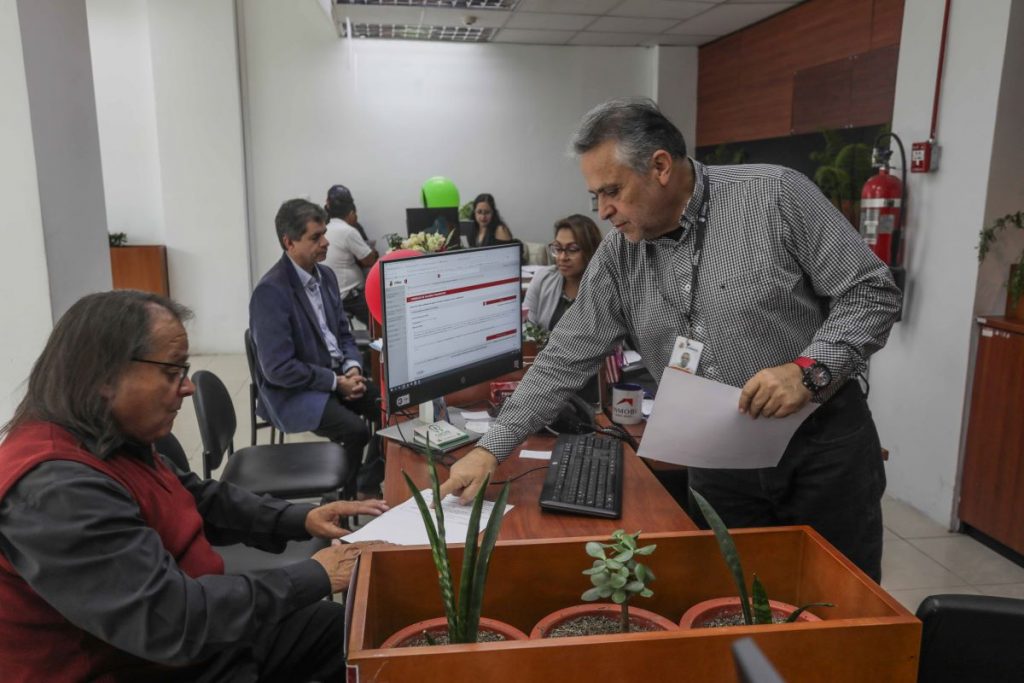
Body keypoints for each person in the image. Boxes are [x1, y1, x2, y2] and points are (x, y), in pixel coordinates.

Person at [440, 98, 901, 582]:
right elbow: (563, 357)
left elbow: (872, 292)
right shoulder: (620, 253)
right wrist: (490, 448)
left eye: (612, 191)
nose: (604, 212)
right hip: (718, 460)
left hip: (820, 449)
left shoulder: (775, 196)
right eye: (595, 196)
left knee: (839, 609)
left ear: (660, 166)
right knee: (733, 604)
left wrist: (809, 371)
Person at [0, 290, 388, 682]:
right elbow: (172, 621)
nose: (187, 387)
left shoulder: (107, 433)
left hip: (205, 637)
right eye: (172, 373)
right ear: (103, 376)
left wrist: (300, 518)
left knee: (360, 637)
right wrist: (314, 576)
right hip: (156, 660)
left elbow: (195, 496)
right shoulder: (55, 491)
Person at [250, 198, 384, 498]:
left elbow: (344, 334)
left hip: (334, 375)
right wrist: (337, 383)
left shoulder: (326, 277)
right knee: (356, 431)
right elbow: (278, 369)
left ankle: (365, 484)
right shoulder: (270, 293)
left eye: (324, 233)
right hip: (294, 392)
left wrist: (351, 367)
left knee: (389, 411)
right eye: (316, 237)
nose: (326, 242)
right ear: (289, 242)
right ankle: (339, 500)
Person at [524, 214, 603, 332]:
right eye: (558, 248)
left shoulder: (605, 287)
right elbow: (526, 326)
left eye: (572, 249)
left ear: (590, 250)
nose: (562, 257)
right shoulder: (543, 278)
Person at [323, 184, 377, 326]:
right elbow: (369, 260)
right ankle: (379, 346)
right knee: (381, 313)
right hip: (350, 296)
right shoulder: (348, 231)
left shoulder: (326, 228)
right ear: (351, 212)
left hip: (332, 294)